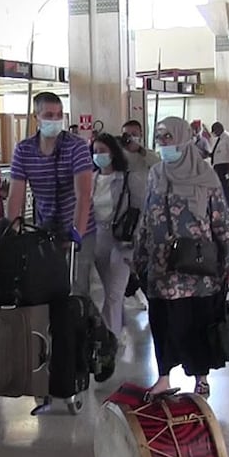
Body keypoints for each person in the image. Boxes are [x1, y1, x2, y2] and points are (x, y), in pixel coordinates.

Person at [133, 117, 229, 399]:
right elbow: (146, 215)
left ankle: (200, 378)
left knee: (197, 322)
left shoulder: (205, 175)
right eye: (160, 138)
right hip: (162, 265)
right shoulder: (156, 173)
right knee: (163, 323)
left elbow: (221, 221)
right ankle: (164, 377)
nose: (163, 143)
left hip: (197, 268)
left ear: (182, 138)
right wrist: (139, 254)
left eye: (169, 137)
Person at [6, 91, 95, 297]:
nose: (55, 120)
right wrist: (12, 231)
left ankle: (78, 323)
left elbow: (83, 194)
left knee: (76, 289)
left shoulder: (76, 146)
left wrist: (77, 234)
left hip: (79, 227)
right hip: (45, 229)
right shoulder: (24, 150)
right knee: (44, 286)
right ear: (36, 117)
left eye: (59, 114)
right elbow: (15, 195)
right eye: (48, 115)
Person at [89, 133, 135, 340]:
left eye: (103, 151)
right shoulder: (91, 179)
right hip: (98, 238)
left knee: (115, 292)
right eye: (95, 151)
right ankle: (120, 324)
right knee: (110, 291)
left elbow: (138, 209)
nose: (98, 155)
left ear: (113, 153)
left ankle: (110, 339)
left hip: (122, 241)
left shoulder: (126, 179)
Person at [121, 119, 159, 311]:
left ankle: (145, 292)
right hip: (126, 216)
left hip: (148, 215)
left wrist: (141, 150)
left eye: (134, 133)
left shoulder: (148, 155)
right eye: (127, 134)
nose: (131, 138)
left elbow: (159, 165)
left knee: (144, 259)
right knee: (127, 258)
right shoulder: (119, 156)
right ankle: (131, 292)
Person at [210, 122, 229, 211]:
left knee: (226, 189)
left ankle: (228, 209)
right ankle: (222, 208)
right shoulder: (220, 139)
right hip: (218, 168)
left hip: (225, 167)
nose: (214, 133)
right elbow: (218, 154)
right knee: (220, 188)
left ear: (219, 128)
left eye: (214, 131)